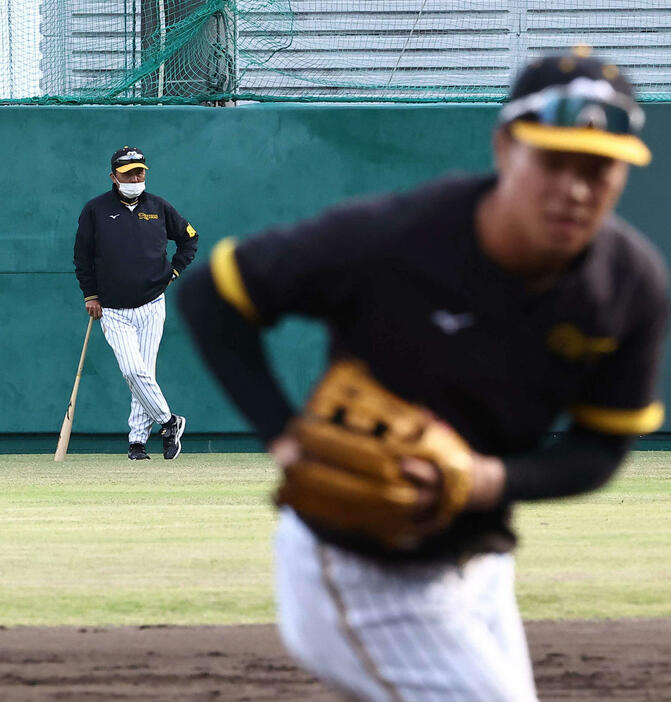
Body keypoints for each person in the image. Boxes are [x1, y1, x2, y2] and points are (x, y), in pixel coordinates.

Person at [178, 51, 667, 701]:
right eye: (552, 161)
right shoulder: (396, 238)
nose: (574, 189)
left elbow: (599, 448)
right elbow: (212, 294)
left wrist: (490, 479)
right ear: (504, 148)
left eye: (598, 168)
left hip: (479, 560)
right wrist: (282, 432)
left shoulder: (628, 285)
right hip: (356, 567)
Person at [74, 146, 198, 461]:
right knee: (132, 369)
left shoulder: (159, 206)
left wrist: (173, 271)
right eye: (129, 173)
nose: (136, 177)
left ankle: (137, 442)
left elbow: (189, 239)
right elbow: (82, 256)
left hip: (152, 304)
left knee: (144, 372)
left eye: (140, 171)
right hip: (112, 308)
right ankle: (170, 422)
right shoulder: (95, 210)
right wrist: (90, 294)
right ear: (113, 176)